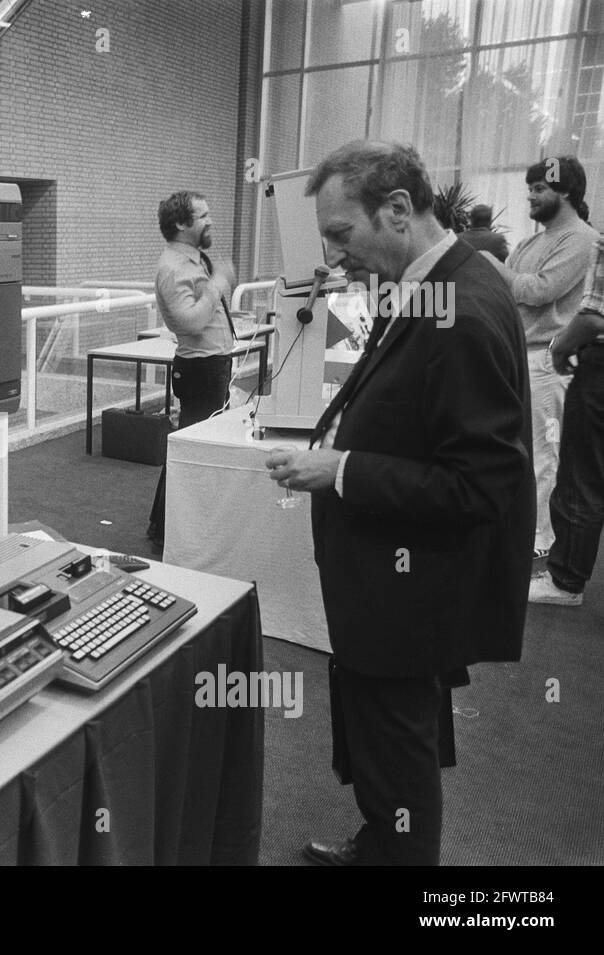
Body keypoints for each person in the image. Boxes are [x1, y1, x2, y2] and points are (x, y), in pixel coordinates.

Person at [265, 141, 534, 866]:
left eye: (340, 234)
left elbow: (479, 487)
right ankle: (381, 840)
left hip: (408, 595)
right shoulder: (436, 282)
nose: (332, 254)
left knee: (399, 747)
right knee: (385, 742)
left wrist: (343, 468)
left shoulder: (463, 310)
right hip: (391, 585)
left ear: (397, 209)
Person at [484, 157, 596, 560]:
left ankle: (538, 542)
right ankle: (520, 531)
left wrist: (496, 269)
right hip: (517, 357)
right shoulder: (534, 241)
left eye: (538, 188)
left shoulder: (581, 239)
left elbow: (538, 289)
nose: (530, 196)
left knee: (544, 455)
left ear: (564, 192)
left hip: (548, 361)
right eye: (529, 187)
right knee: (515, 451)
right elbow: (510, 288)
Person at [146, 190, 237, 547]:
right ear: (182, 224)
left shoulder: (195, 260)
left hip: (211, 365)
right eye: (202, 216)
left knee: (192, 447)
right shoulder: (173, 267)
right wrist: (217, 286)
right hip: (200, 370)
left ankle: (166, 526)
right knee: (191, 449)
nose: (210, 221)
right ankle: (169, 530)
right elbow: (189, 323)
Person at [530, 237, 604, 606]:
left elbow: (591, 315)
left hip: (587, 363)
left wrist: (560, 347)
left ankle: (566, 580)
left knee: (578, 474)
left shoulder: (586, 241)